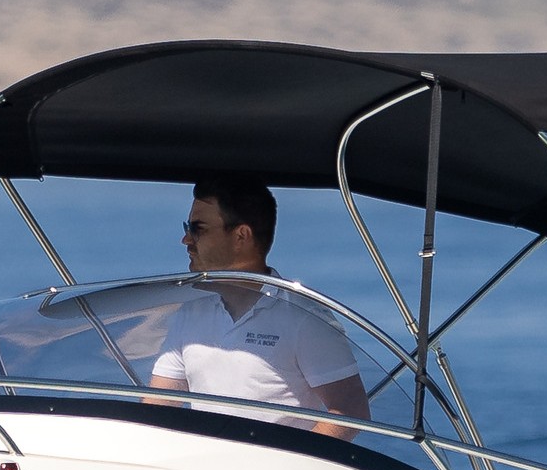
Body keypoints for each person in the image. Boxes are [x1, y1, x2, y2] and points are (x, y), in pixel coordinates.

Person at [139, 178, 375, 422]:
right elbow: (158, 406)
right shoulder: (191, 311)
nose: (186, 240)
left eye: (198, 229)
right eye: (187, 228)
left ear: (241, 236)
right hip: (206, 458)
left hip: (275, 460)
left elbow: (351, 412)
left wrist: (289, 460)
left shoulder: (305, 319)